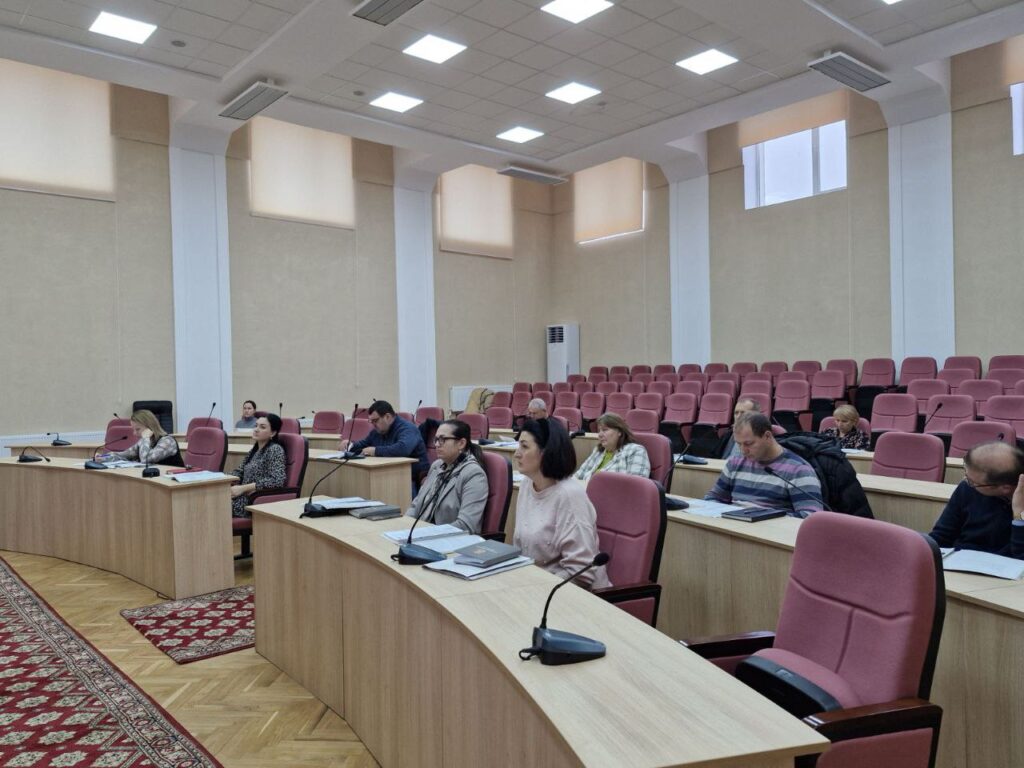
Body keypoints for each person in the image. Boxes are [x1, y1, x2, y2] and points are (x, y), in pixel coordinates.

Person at [513, 418, 610, 588]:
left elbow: (581, 572)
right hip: (533, 585)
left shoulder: (570, 496)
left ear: (546, 452)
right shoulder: (527, 484)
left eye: (525, 447)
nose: (516, 453)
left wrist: (535, 588)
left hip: (571, 593)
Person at [705, 411, 823, 518]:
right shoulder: (735, 462)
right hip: (734, 526)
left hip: (770, 531)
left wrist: (762, 517)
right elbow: (712, 498)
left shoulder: (799, 469)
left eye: (748, 444)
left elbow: (810, 517)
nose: (743, 451)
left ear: (767, 436)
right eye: (739, 444)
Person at [928, 441, 1024, 559]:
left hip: (1007, 568)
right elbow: (941, 536)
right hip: (959, 561)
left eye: (973, 482)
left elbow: (1021, 557)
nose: (966, 481)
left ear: (1005, 488)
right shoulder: (966, 488)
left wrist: (1020, 516)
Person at [405, 419, 489, 533]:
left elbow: (466, 525)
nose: (436, 444)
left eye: (442, 439)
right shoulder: (436, 466)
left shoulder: (474, 474)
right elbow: (416, 505)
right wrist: (404, 525)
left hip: (450, 538)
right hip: (423, 531)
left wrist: (428, 533)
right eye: (436, 439)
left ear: (461, 443)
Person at [340, 400, 429, 479]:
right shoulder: (377, 431)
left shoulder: (408, 429)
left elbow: (403, 449)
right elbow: (363, 444)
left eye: (375, 421)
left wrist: (375, 451)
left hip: (410, 477)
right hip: (387, 474)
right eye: (371, 421)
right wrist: (350, 445)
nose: (373, 424)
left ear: (387, 417)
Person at [231, 414, 287, 518]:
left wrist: (243, 488)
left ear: (273, 433)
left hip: (253, 500)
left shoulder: (275, 450)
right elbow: (239, 471)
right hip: (241, 496)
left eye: (262, 427)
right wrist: (221, 478)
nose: (256, 429)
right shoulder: (255, 449)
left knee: (215, 505)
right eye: (256, 425)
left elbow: (277, 480)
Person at [574, 413, 650, 483]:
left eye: (605, 430)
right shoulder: (598, 451)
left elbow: (637, 485)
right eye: (599, 431)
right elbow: (578, 475)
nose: (600, 435)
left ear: (620, 432)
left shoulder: (635, 450)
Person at [106, 409, 183, 467]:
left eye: (137, 429)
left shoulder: (168, 441)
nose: (134, 433)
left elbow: (145, 460)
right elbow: (124, 454)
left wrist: (145, 437)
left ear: (150, 427)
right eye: (133, 429)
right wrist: (103, 458)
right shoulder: (145, 441)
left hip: (173, 481)